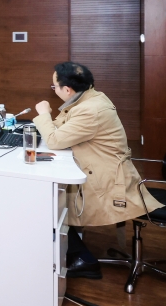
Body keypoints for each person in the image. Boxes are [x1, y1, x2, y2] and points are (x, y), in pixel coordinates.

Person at [33, 62, 164, 279]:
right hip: (105, 171)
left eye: (54, 86)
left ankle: (84, 260)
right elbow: (62, 128)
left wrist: (43, 114)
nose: (53, 90)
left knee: (50, 204)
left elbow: (55, 140)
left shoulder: (90, 110)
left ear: (67, 90)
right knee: (55, 199)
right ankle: (74, 250)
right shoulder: (90, 98)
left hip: (109, 183)